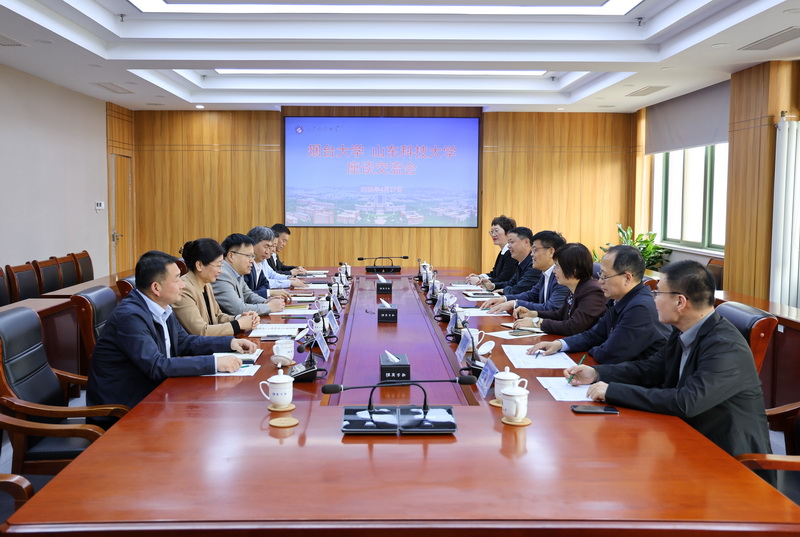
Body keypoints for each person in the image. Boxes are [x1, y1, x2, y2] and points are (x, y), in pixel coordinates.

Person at [563, 260, 772, 458]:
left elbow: (686, 402)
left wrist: (613, 391)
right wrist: (597, 373)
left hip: (729, 457)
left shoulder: (725, 346)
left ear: (680, 301)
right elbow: (650, 368)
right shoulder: (682, 330)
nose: (653, 300)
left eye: (657, 293)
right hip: (685, 438)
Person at [87, 251, 257, 414]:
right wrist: (215, 363)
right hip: (126, 407)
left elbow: (183, 342)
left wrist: (229, 343)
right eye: (177, 279)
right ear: (156, 287)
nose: (183, 284)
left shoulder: (162, 306)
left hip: (157, 393)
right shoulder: (130, 317)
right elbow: (156, 366)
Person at [528, 244, 668, 364]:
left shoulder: (640, 308)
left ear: (627, 278)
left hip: (640, 380)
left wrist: (593, 349)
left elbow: (609, 353)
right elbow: (594, 335)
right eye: (600, 274)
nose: (600, 281)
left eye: (605, 276)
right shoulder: (618, 299)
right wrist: (559, 344)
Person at [173, 238, 260, 336]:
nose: (220, 271)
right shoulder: (184, 289)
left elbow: (218, 317)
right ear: (199, 265)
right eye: (218, 266)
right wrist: (238, 324)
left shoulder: (206, 285)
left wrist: (239, 318)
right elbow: (201, 331)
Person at [514, 243, 605, 336]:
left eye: (557, 266)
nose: (554, 271)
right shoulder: (576, 287)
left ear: (573, 270)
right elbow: (560, 315)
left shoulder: (592, 292)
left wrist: (537, 322)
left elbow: (573, 327)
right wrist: (533, 314)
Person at [482, 230, 569, 314]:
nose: (532, 254)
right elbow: (531, 295)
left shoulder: (561, 276)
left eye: (535, 250)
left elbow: (552, 308)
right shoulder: (546, 274)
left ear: (551, 252)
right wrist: (505, 299)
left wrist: (515, 304)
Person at [212, 233, 286, 316]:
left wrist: (266, 301)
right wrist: (268, 307)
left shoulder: (236, 272)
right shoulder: (222, 274)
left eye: (252, 256)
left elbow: (248, 295)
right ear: (231, 256)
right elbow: (238, 309)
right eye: (248, 256)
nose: (252, 261)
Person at [244, 226, 306, 299]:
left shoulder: (259, 263)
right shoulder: (246, 266)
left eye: (271, 247)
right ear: (252, 244)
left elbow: (265, 283)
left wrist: (288, 278)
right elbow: (246, 296)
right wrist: (269, 293)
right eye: (266, 246)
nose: (269, 251)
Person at [479, 226, 541, 295]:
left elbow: (519, 289)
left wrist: (503, 291)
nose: (508, 246)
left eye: (512, 242)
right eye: (508, 242)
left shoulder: (534, 264)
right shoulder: (520, 263)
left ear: (526, 242)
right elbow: (510, 283)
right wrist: (493, 286)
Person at [467, 215, 518, 285]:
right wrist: (480, 276)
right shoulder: (503, 252)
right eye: (492, 231)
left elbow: (504, 279)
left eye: (496, 231)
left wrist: (481, 280)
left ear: (508, 232)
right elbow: (494, 274)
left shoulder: (510, 253)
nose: (493, 235)